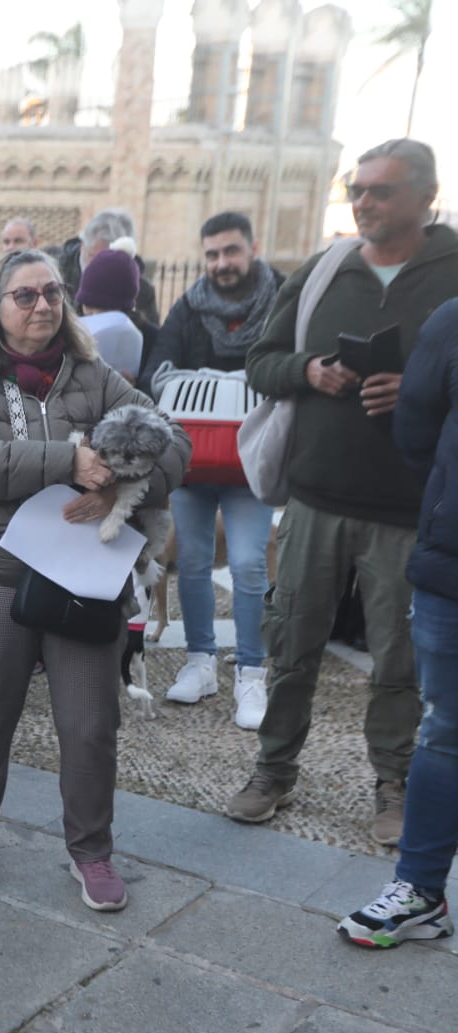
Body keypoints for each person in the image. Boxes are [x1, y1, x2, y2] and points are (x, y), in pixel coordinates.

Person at [0, 248, 190, 911]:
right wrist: (66, 462)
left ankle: (91, 852)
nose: (42, 305)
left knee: (89, 724)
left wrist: (120, 490)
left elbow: (176, 445)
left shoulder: (94, 374)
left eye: (51, 293)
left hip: (80, 576)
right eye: (24, 295)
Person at [230, 138, 458, 845]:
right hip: (313, 500)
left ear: (424, 196)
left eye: (379, 191)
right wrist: (309, 369)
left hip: (406, 509)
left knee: (397, 662)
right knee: (290, 646)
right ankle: (272, 770)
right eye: (356, 190)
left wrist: (422, 393)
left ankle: (392, 785)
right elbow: (259, 362)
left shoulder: (452, 275)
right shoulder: (326, 268)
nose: (361, 202)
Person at [337, 297, 458, 947]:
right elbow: (415, 434)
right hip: (451, 570)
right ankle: (419, 890)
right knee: (443, 732)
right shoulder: (450, 323)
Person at [138, 211, 285, 729]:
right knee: (194, 562)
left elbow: (297, 360)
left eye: (231, 251)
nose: (221, 263)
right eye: (213, 254)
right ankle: (200, 662)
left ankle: (250, 672)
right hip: (194, 461)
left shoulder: (281, 299)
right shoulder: (189, 306)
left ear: (252, 247)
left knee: (247, 565)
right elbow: (157, 366)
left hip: (251, 462)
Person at [55, 208, 161, 326]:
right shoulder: (57, 275)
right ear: (83, 247)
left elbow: (149, 337)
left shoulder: (142, 290)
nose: (104, 265)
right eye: (96, 257)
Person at [75, 248, 150, 383]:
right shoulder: (70, 329)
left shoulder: (150, 339)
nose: (91, 313)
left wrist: (133, 390)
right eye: (87, 305)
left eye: (102, 308)